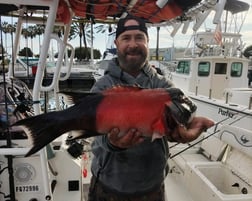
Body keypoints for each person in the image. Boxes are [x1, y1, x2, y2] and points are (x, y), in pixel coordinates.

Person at [88, 14, 214, 201]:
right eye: (126, 38)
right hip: (107, 188)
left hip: (152, 188)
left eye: (139, 37)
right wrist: (111, 143)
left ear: (147, 42)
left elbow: (176, 120)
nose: (133, 44)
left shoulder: (165, 86)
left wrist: (181, 131)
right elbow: (93, 134)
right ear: (117, 43)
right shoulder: (102, 88)